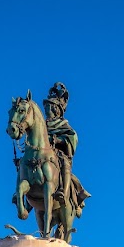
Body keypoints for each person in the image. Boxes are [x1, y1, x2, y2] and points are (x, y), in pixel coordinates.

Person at [43, 83, 90, 216]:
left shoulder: (63, 125)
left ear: (56, 109)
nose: (46, 109)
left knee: (64, 164)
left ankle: (64, 191)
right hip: (43, 156)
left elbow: (72, 138)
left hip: (59, 154)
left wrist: (57, 140)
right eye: (45, 106)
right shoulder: (42, 125)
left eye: (49, 107)